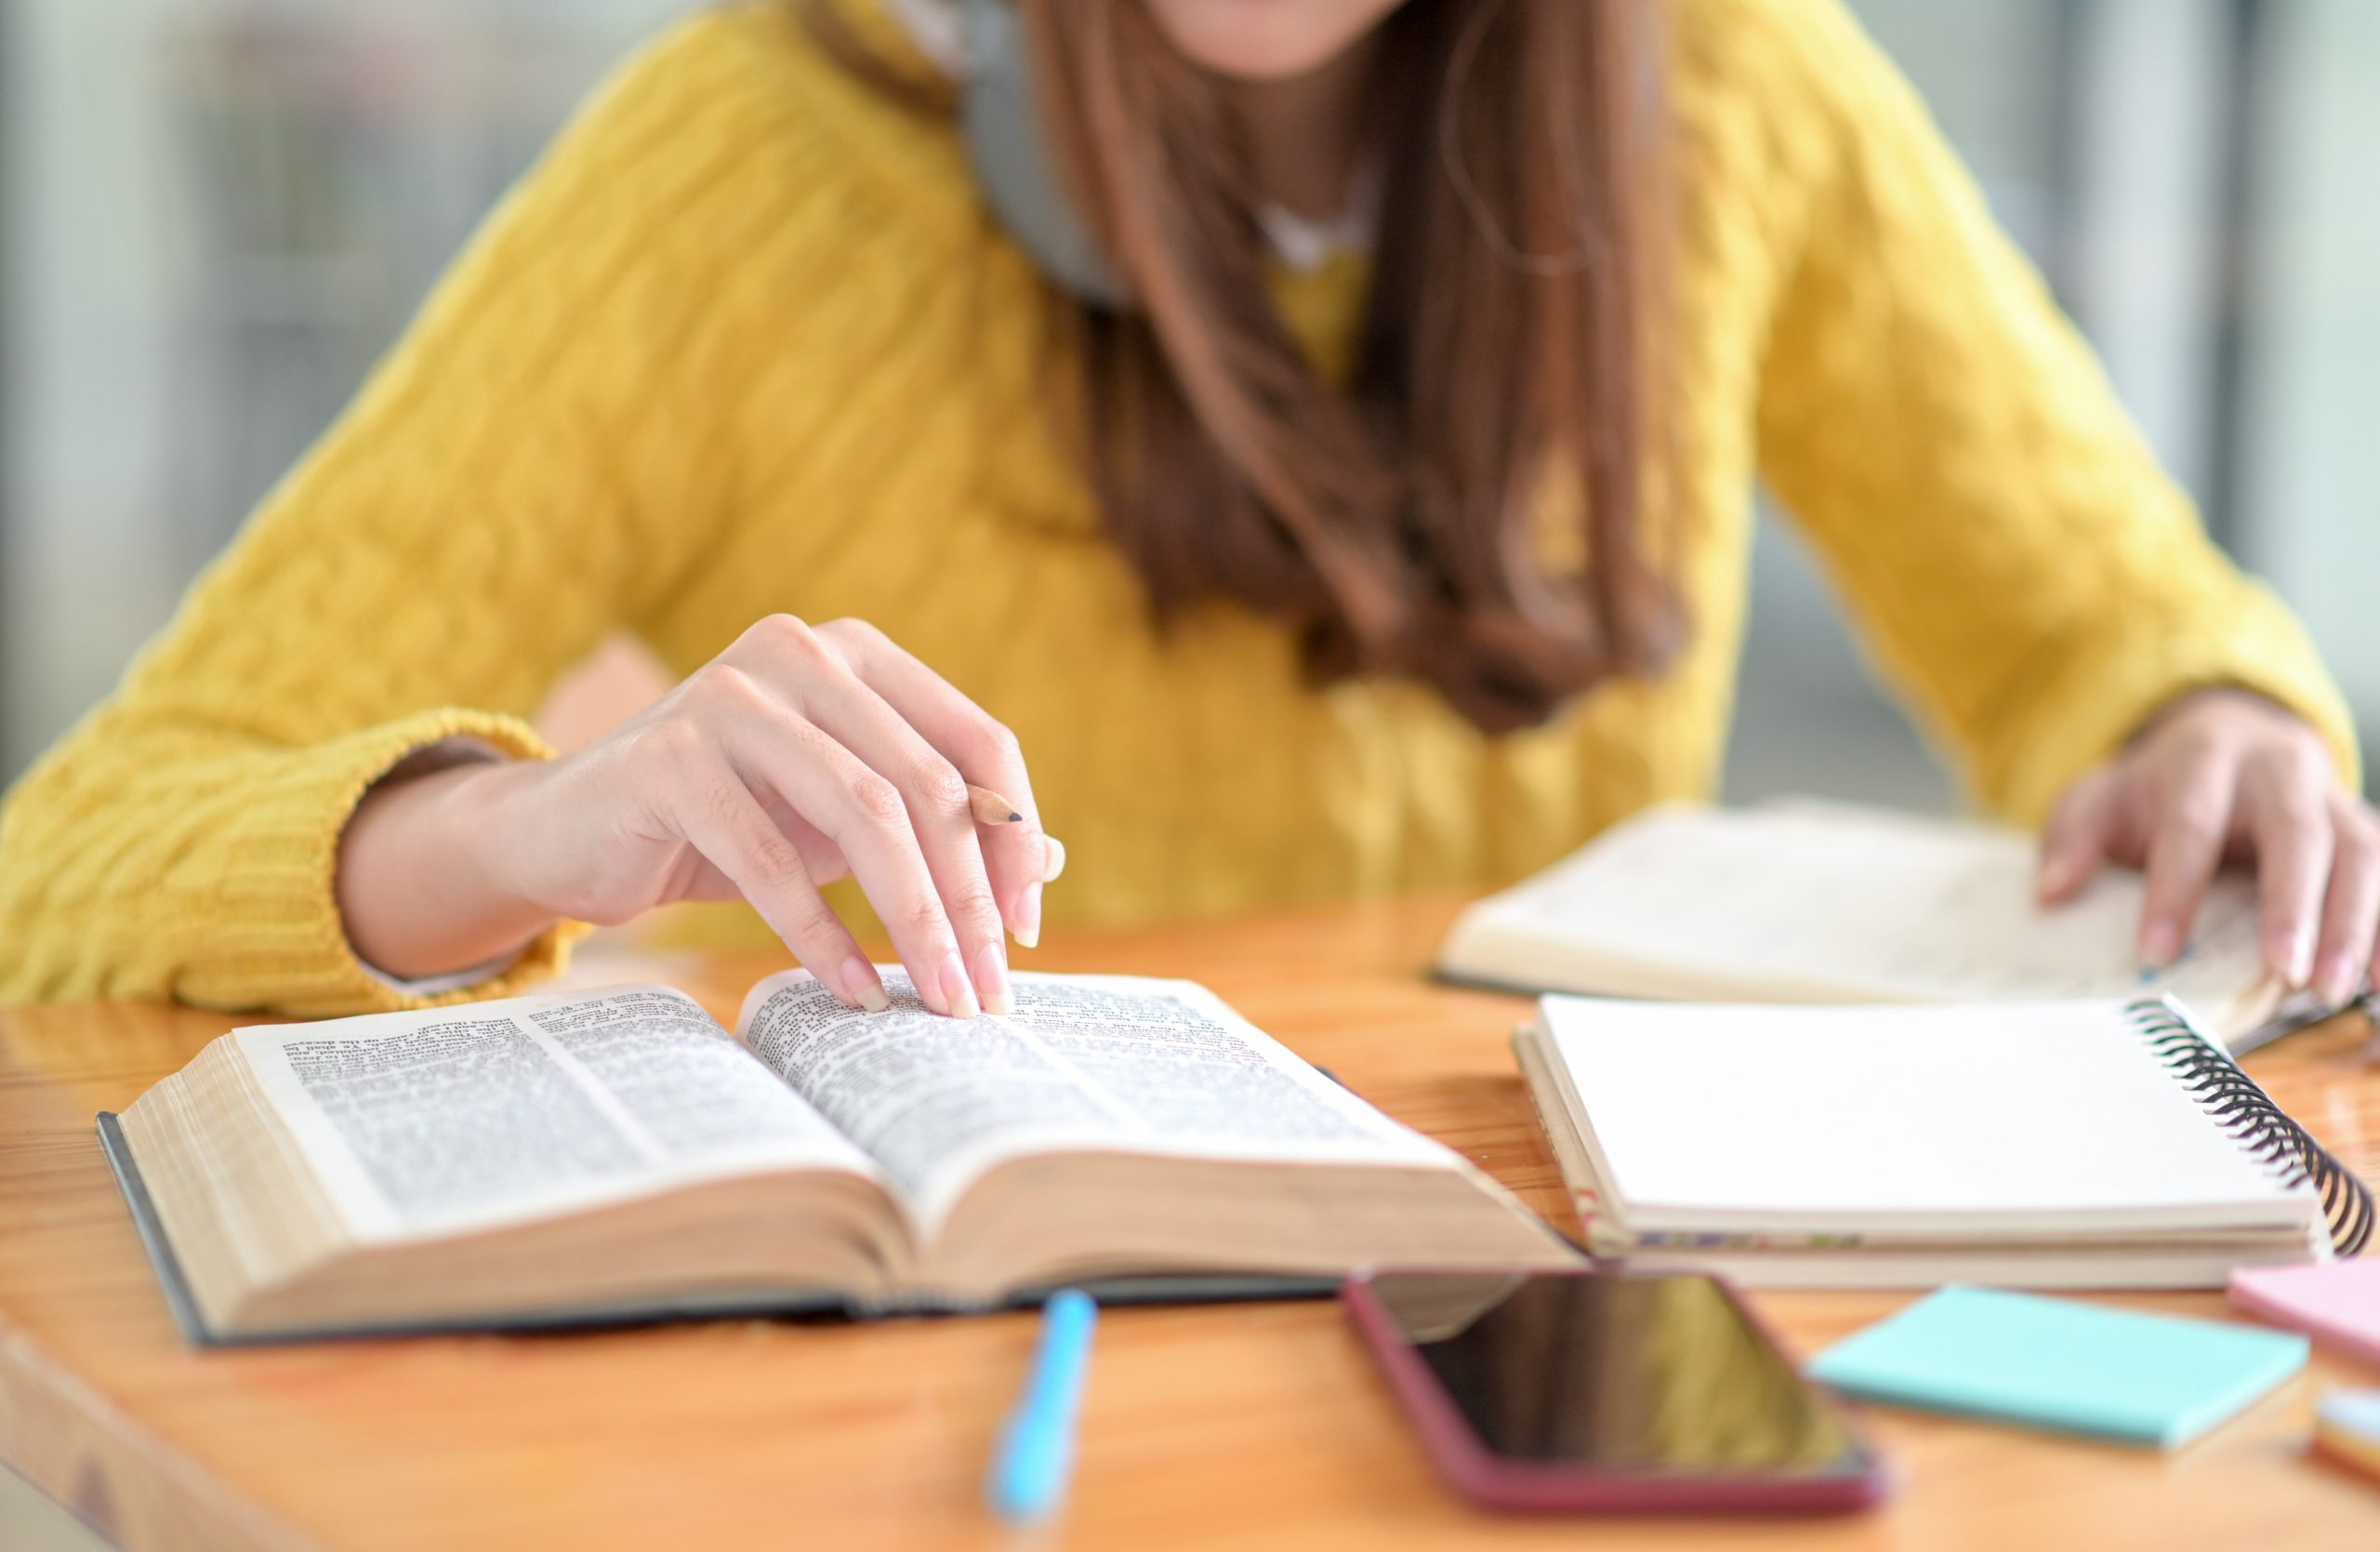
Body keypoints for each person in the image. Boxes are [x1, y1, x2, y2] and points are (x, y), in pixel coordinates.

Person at [0, 0, 2371, 1022]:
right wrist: (523, 835)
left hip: (1554, 1375)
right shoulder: (745, 164)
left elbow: (2102, 616)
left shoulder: (1733, 87)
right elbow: (79, 865)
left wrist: (2198, 713)